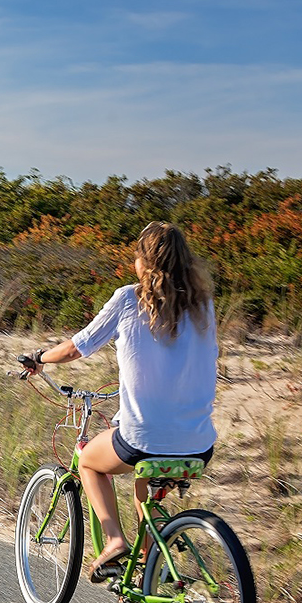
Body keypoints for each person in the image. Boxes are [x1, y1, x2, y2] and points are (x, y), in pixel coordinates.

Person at [21, 221, 218, 582]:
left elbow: (75, 348)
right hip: (200, 443)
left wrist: (39, 358)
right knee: (146, 488)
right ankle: (152, 562)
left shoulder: (129, 298)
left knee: (89, 462)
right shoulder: (203, 304)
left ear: (143, 262)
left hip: (142, 438)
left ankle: (114, 542)